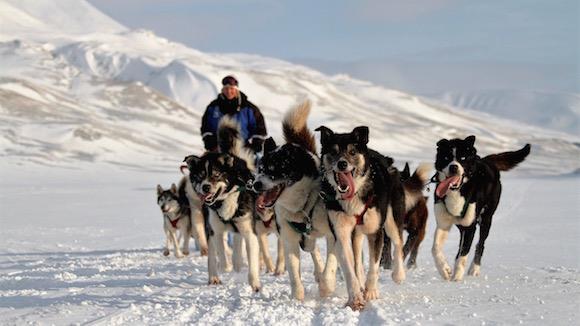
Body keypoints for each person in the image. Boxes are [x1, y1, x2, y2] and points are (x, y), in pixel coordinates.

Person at [200, 75, 267, 154]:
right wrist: (210, 143)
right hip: (218, 149)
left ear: (237, 90)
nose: (228, 91)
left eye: (231, 88)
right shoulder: (213, 107)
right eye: (226, 88)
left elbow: (260, 129)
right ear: (222, 90)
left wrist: (254, 146)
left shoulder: (249, 108)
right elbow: (206, 128)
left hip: (244, 149)